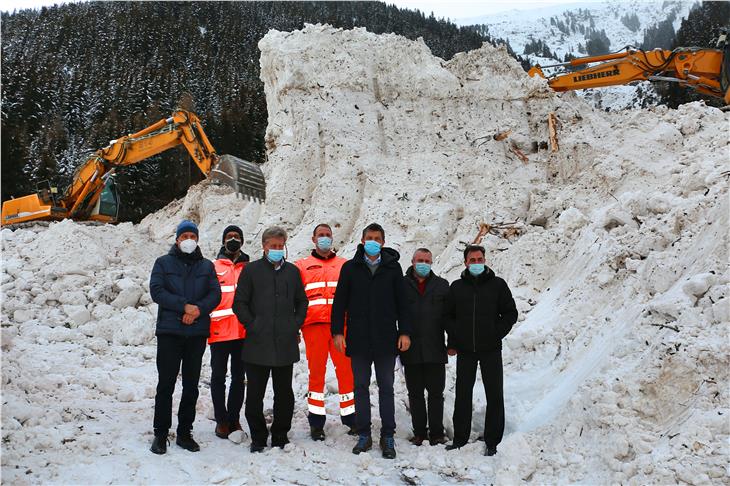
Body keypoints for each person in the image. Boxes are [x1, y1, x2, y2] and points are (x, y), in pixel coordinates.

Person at [331, 223, 411, 459]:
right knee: (361, 387)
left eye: (377, 238)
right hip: (359, 339)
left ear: (383, 242)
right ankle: (364, 434)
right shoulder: (350, 268)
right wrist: (337, 332)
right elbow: (340, 303)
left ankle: (388, 436)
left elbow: (402, 304)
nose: (373, 241)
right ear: (363, 240)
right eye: (369, 237)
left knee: (386, 388)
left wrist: (404, 332)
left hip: (386, 339)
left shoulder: (393, 269)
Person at [232, 226, 308, 453]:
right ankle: (258, 436)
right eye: (272, 246)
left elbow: (302, 302)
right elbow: (239, 303)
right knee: (254, 395)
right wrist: (253, 325)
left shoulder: (293, 272)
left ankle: (280, 435)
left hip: (284, 344)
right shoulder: (251, 271)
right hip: (257, 343)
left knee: (284, 394)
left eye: (280, 246)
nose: (277, 250)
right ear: (264, 246)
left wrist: (295, 324)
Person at [149, 220, 221, 454]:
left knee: (191, 385)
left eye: (192, 235)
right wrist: (184, 307)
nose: (188, 239)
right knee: (166, 384)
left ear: (197, 239)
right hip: (170, 331)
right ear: (177, 239)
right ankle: (160, 434)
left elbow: (215, 294)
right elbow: (157, 291)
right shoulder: (163, 263)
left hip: (196, 332)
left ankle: (184, 432)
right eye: (184, 236)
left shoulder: (206, 266)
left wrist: (198, 309)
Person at [445, 245, 518, 456]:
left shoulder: (498, 285)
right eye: (472, 260)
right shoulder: (457, 287)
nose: (477, 263)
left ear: (484, 260)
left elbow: (510, 313)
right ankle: (460, 439)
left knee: (494, 395)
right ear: (466, 262)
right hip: (466, 350)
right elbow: (448, 316)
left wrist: (496, 333)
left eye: (480, 259)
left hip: (491, 349)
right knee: (463, 394)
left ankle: (493, 440)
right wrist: (456, 336)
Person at [294, 223, 356, 441]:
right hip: (314, 326)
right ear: (313, 239)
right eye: (320, 235)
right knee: (316, 374)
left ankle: (350, 418)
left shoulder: (345, 265)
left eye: (328, 235)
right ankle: (316, 422)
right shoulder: (301, 266)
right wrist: (296, 326)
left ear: (333, 239)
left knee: (346, 372)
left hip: (342, 327)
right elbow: (296, 299)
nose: (324, 238)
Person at [400, 248, 450, 447]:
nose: (423, 263)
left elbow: (449, 317)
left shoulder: (442, 286)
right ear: (412, 261)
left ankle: (437, 432)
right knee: (415, 394)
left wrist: (452, 342)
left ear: (432, 262)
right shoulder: (401, 285)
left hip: (435, 347)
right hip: (410, 347)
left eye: (427, 260)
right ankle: (419, 432)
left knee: (436, 393)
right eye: (419, 260)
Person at [209, 225, 250, 441]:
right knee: (217, 377)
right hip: (218, 332)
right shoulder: (213, 267)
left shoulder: (249, 268)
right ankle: (221, 420)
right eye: (229, 236)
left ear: (242, 241)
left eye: (236, 236)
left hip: (243, 333)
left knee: (238, 378)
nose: (233, 239)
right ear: (223, 241)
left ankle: (234, 418)